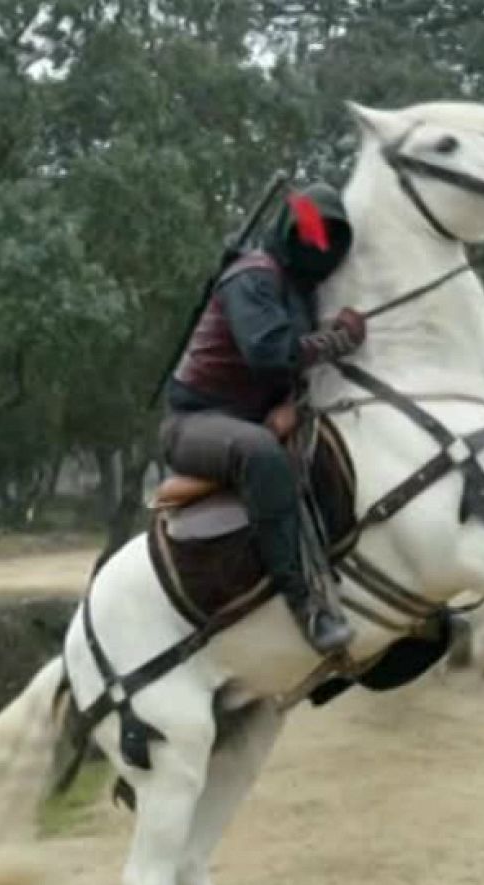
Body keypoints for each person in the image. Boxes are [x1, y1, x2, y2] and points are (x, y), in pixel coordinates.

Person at [160, 182, 363, 655]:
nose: (319, 247)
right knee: (262, 454)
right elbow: (269, 353)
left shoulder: (303, 291)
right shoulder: (253, 277)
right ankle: (306, 606)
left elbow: (293, 366)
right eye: (311, 235)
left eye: (329, 238)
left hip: (254, 416)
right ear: (289, 231)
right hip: (195, 423)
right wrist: (339, 340)